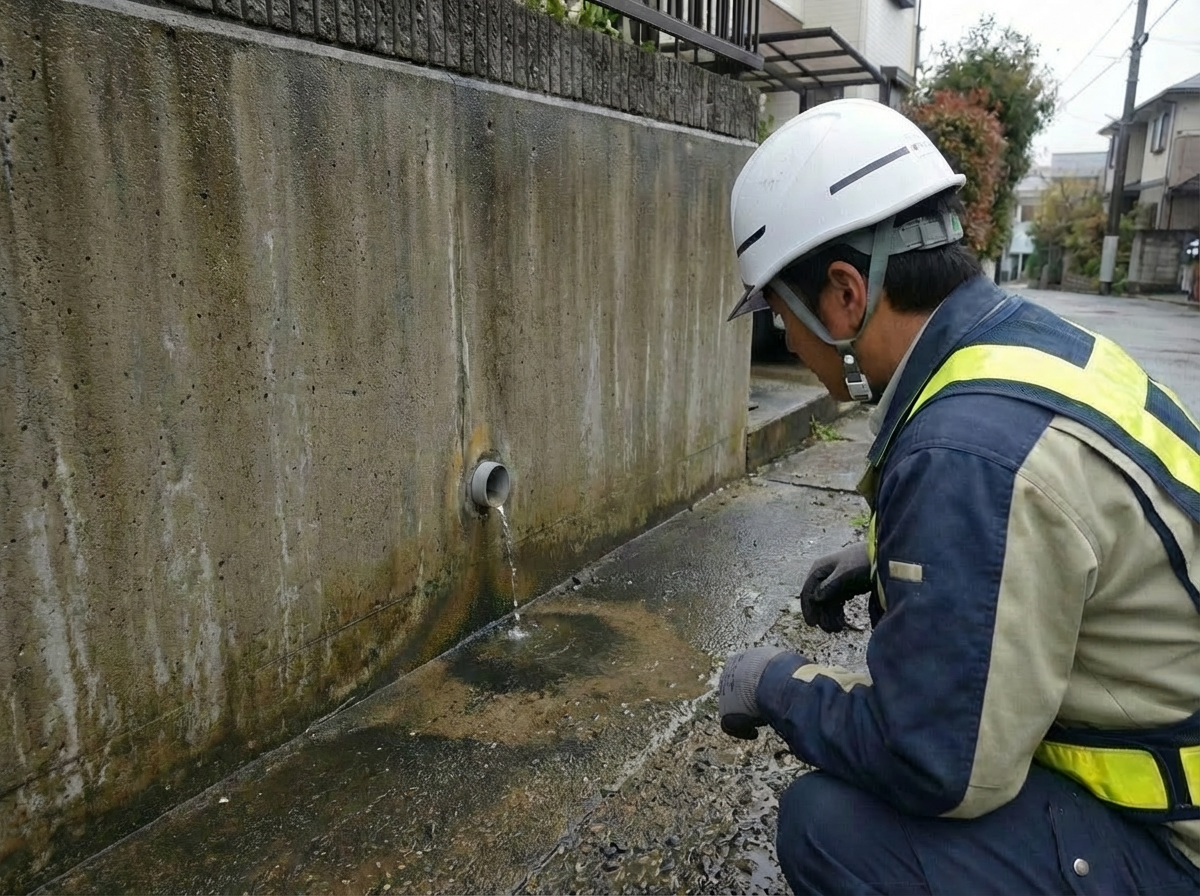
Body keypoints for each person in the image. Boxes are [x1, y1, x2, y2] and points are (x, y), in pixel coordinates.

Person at [717, 98, 1200, 896]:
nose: (785, 340)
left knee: (828, 827)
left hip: (1172, 844)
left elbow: (936, 765)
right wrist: (885, 554)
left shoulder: (966, 450)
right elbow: (1065, 526)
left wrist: (782, 685)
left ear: (843, 293)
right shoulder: (1024, 347)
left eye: (778, 311)